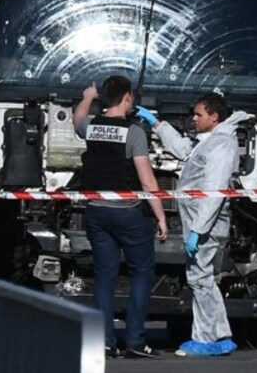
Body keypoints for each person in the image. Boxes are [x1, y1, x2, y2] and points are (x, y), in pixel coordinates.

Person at [135, 92, 249, 357]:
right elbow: (183, 148)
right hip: (200, 224)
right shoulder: (208, 142)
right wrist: (157, 124)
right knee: (201, 278)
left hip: (207, 225)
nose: (193, 119)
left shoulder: (221, 146)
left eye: (199, 115)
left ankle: (209, 337)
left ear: (215, 117)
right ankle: (215, 335)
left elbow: (213, 191)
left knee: (201, 279)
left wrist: (198, 229)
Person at [72, 76, 168, 359]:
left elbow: (77, 119)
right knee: (141, 273)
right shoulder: (134, 132)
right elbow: (148, 181)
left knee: (104, 277)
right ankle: (135, 341)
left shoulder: (92, 127)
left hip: (97, 211)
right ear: (127, 97)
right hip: (128, 213)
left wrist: (88, 96)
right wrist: (160, 216)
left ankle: (103, 340)